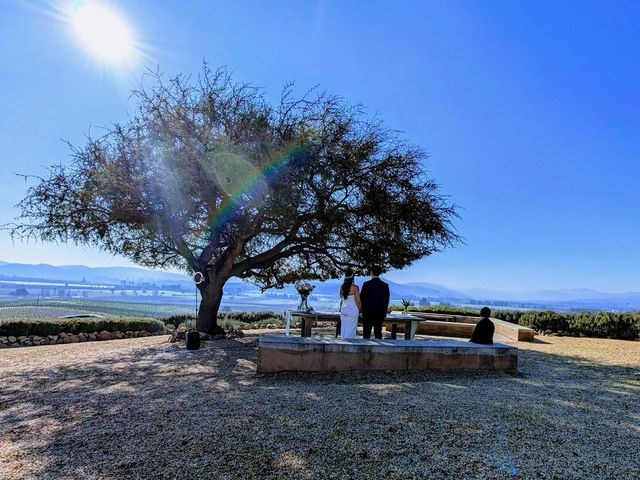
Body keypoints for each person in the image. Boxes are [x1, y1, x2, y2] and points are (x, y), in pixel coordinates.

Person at [359, 265, 390, 339]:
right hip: (380, 312)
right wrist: (384, 312)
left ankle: (365, 348)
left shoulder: (366, 284)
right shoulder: (385, 285)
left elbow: (362, 298)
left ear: (371, 273)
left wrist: (362, 311)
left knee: (366, 332)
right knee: (378, 332)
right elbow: (386, 300)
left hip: (367, 312)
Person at [339, 268, 361, 339]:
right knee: (351, 329)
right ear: (353, 277)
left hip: (344, 309)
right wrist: (360, 309)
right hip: (353, 310)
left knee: (344, 328)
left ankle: (343, 342)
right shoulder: (355, 288)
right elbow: (358, 301)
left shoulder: (342, 287)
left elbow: (342, 299)